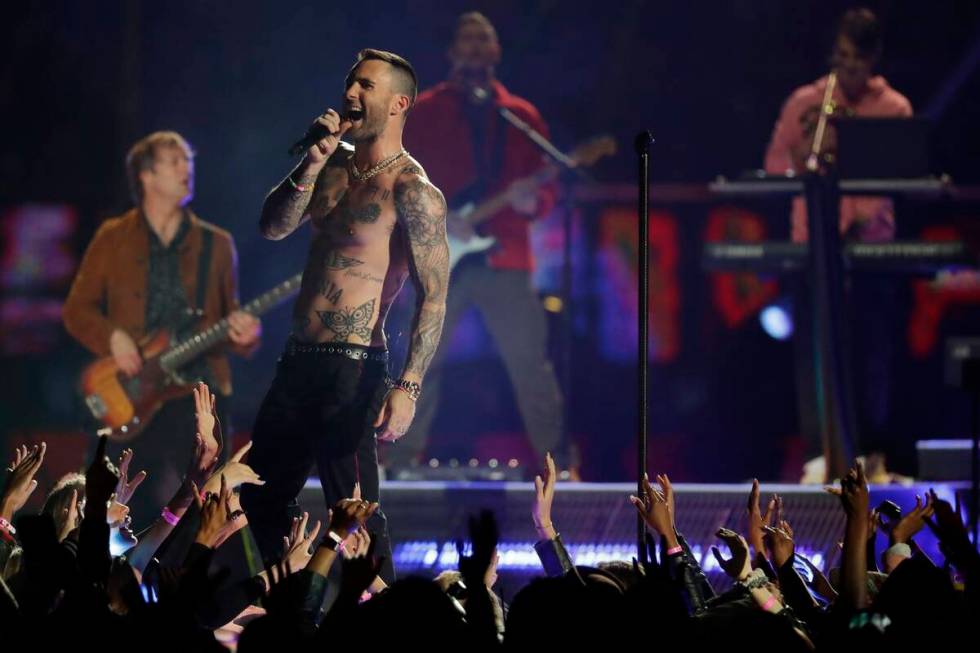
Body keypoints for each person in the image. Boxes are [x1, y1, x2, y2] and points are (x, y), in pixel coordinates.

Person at [241, 49, 449, 581]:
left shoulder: (413, 189)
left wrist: (409, 386)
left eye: (366, 86)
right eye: (350, 83)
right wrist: (311, 162)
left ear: (400, 102)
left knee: (354, 514)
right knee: (258, 497)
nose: (351, 94)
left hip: (353, 367)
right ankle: (285, 603)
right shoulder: (331, 165)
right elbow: (273, 226)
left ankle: (376, 616)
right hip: (298, 360)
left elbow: (435, 296)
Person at [398, 11, 568, 478]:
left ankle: (558, 470)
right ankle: (396, 463)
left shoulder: (521, 116)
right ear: (453, 51)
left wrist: (535, 200)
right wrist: (440, 218)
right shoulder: (427, 111)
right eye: (467, 38)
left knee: (530, 366)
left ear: (496, 51)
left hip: (505, 255)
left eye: (484, 38)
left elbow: (546, 189)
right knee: (419, 360)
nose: (476, 46)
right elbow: (402, 178)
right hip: (439, 254)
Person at [63, 131, 261, 521]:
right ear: (146, 175)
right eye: (174, 161)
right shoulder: (113, 237)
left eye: (188, 160)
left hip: (196, 393)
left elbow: (231, 319)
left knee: (196, 513)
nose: (187, 169)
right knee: (111, 509)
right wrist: (113, 337)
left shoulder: (216, 244)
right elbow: (76, 311)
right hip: (131, 395)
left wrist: (246, 337)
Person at [763, 8, 913, 482]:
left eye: (857, 62)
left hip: (868, 249)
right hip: (813, 244)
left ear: (873, 59)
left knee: (871, 351)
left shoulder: (893, 108)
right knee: (812, 351)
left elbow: (896, 178)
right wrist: (804, 158)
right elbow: (773, 166)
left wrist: (857, 218)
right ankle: (818, 452)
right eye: (841, 58)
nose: (848, 70)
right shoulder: (805, 102)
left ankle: (872, 452)